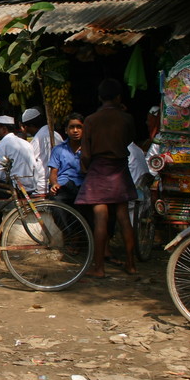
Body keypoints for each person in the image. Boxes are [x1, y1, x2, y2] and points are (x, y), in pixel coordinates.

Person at [75, 79, 137, 277]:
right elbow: (129, 140)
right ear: (118, 97)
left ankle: (99, 268)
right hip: (119, 168)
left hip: (99, 168)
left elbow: (85, 153)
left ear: (100, 98)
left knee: (100, 218)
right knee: (123, 218)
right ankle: (131, 264)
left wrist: (86, 169)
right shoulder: (126, 118)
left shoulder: (91, 120)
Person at [22, 107, 63, 196]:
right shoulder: (56, 135)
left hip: (43, 185)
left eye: (26, 128)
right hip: (57, 182)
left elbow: (28, 161)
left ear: (31, 126)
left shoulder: (38, 138)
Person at [48, 113, 84, 206]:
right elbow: (53, 173)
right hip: (63, 187)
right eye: (72, 127)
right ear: (66, 130)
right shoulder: (58, 149)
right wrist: (54, 184)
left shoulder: (89, 149)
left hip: (82, 188)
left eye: (79, 127)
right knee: (57, 204)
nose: (75, 130)